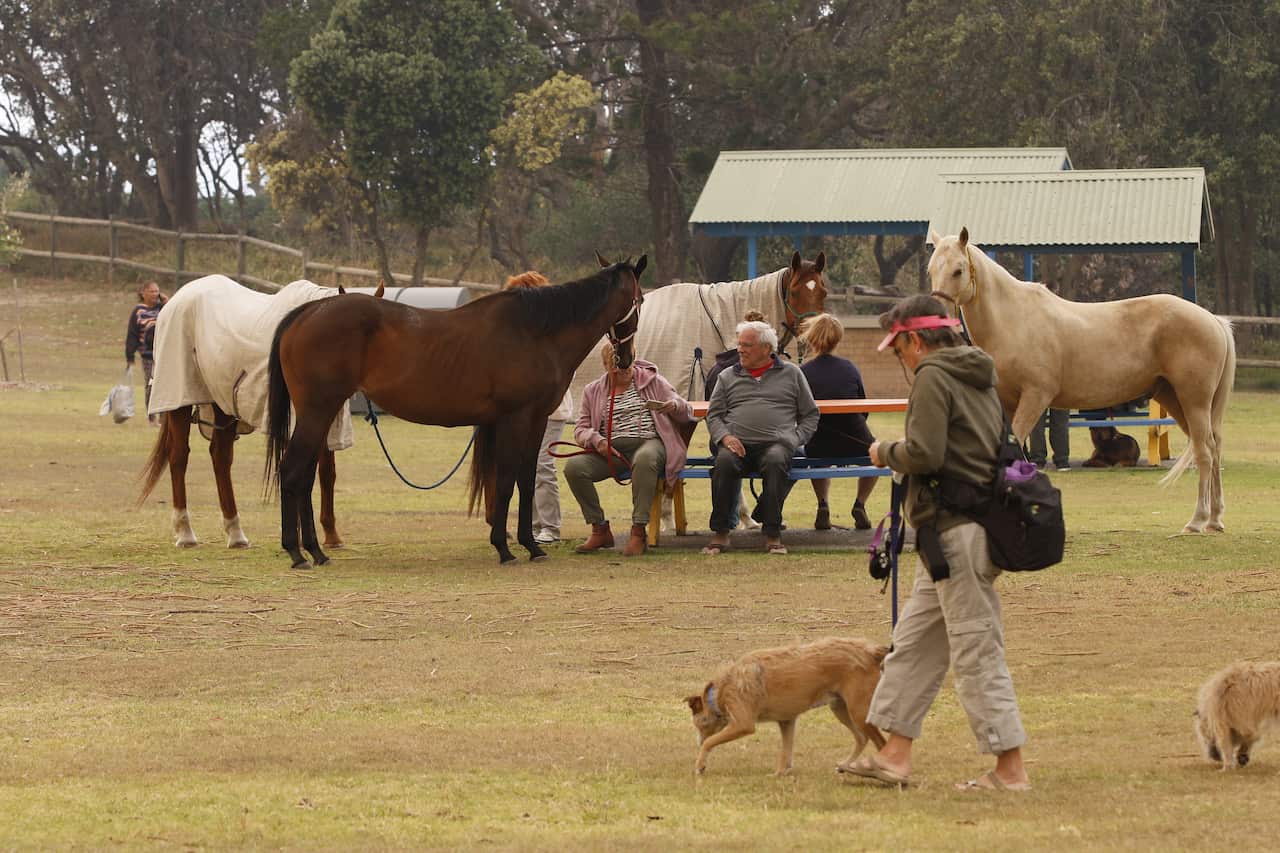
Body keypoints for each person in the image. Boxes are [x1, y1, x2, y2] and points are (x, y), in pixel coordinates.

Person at [846, 294, 1031, 792]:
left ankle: (1010, 771)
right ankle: (894, 757)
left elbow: (925, 452)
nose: (899, 359)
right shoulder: (978, 373)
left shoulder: (932, 374)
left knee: (976, 649)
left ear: (914, 339)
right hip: (953, 534)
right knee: (914, 645)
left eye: (898, 348)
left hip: (956, 533)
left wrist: (884, 451)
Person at [703, 320, 819, 556]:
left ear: (767, 349)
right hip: (736, 444)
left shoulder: (792, 373)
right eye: (740, 344)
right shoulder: (727, 376)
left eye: (747, 345)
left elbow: (810, 415)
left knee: (777, 461)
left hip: (778, 444)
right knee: (724, 463)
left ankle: (773, 535)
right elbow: (713, 415)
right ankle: (721, 534)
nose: (740, 350)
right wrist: (725, 437)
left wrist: (794, 439)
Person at [567, 342, 694, 557]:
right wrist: (597, 440)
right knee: (574, 468)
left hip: (649, 442)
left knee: (645, 459)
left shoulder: (653, 381)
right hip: (611, 449)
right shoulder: (593, 390)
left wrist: (673, 405)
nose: (624, 372)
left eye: (627, 366)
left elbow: (685, 409)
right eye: (617, 368)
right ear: (606, 366)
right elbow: (580, 429)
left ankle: (638, 531)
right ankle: (599, 529)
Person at [504, 271, 572, 544]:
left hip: (550, 410)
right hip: (522, 411)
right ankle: (531, 525)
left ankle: (550, 527)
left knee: (542, 466)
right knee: (523, 466)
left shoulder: (554, 333)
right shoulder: (519, 333)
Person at [798, 313, 877, 531]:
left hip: (818, 443)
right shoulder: (850, 368)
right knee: (877, 453)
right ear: (837, 339)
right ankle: (860, 503)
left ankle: (823, 504)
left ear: (811, 339)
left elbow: (799, 412)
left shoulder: (802, 372)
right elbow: (863, 407)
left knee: (815, 455)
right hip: (855, 440)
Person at [125, 280, 166, 425]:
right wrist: (130, 356)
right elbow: (132, 334)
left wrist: (166, 302)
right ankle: (151, 416)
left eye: (157, 291)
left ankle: (163, 416)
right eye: (152, 291)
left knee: (165, 384)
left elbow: (174, 316)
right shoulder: (138, 311)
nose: (155, 294)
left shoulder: (162, 308)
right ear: (143, 293)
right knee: (151, 385)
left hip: (163, 354)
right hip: (147, 355)